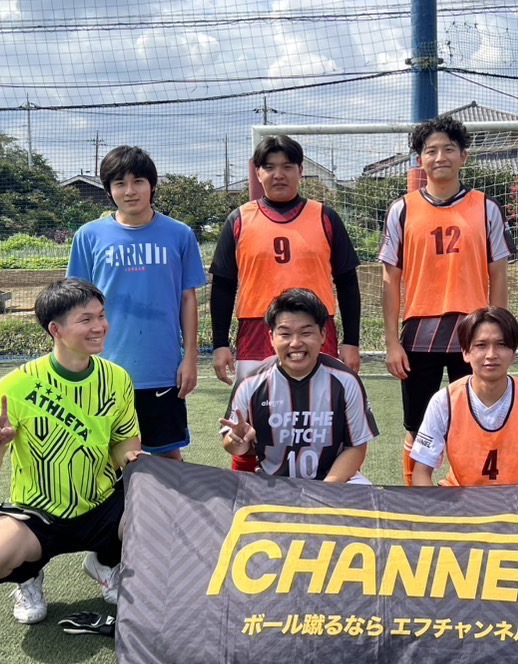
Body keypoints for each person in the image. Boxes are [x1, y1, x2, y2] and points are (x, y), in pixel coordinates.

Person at [0, 279, 142, 625]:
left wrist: (130, 458)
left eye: (101, 316)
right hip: (38, 515)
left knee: (158, 519)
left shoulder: (117, 379)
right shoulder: (18, 384)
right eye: (86, 319)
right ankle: (28, 577)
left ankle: (106, 562)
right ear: (56, 330)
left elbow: (124, 441)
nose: (99, 326)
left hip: (102, 506)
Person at [380, 114, 515, 486]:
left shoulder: (485, 207)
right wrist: (392, 342)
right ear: (419, 160)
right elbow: (390, 280)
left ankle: (469, 497)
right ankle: (417, 503)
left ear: (463, 156)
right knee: (417, 427)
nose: (440, 157)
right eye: (431, 151)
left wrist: (499, 334)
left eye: (448, 149)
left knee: (474, 420)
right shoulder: (402, 209)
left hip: (472, 335)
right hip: (418, 336)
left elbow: (499, 274)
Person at [67, 145, 207, 460]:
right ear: (109, 190)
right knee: (105, 460)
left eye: (138, 181)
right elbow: (77, 304)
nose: (130, 191)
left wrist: (190, 357)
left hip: (162, 369)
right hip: (103, 370)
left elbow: (188, 299)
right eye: (120, 183)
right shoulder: (88, 236)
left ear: (152, 185)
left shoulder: (179, 234)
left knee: (168, 458)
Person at [210, 134, 362, 387]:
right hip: (256, 333)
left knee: (319, 408)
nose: (278, 175)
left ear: (300, 171)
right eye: (269, 167)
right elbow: (223, 285)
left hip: (316, 331)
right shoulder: (239, 220)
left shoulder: (325, 217)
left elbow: (347, 282)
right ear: (258, 173)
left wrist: (351, 342)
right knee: (254, 410)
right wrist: (220, 344)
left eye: (287, 167)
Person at [409, 306, 518, 487]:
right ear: (466, 352)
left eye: (501, 344)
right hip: (460, 500)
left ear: (514, 353)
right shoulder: (444, 401)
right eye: (481, 345)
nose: (491, 355)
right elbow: (421, 472)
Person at [220, 288, 379, 483]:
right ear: (271, 338)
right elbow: (234, 447)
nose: (295, 343)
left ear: (322, 334)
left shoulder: (346, 381)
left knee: (365, 497)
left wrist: (324, 490)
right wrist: (236, 440)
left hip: (334, 483)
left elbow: (356, 447)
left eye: (306, 333)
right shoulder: (249, 383)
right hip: (272, 484)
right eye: (285, 334)